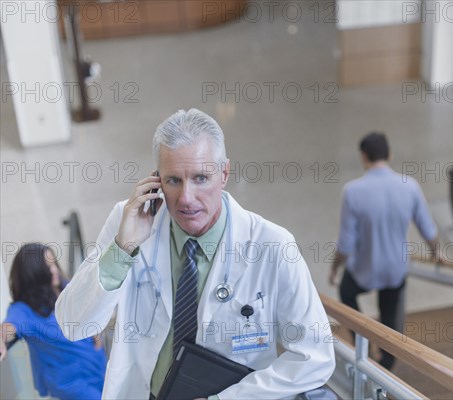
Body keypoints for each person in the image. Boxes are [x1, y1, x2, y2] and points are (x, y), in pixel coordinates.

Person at [55, 109, 335, 400]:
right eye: (173, 180)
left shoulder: (273, 246)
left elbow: (314, 357)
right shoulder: (126, 222)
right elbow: (73, 325)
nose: (186, 198)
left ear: (224, 173)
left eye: (200, 178)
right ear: (156, 180)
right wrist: (123, 249)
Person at [329, 132, 440, 370]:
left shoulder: (353, 191)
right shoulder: (409, 186)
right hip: (395, 270)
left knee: (346, 292)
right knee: (390, 317)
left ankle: (363, 344)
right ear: (389, 154)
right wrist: (436, 253)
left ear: (363, 157)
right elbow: (428, 229)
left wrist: (334, 269)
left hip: (364, 269)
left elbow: (346, 245)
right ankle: (386, 367)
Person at [0, 243, 106, 400]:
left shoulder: (65, 288)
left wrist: (97, 333)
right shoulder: (24, 310)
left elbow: (89, 310)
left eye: (53, 264)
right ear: (34, 274)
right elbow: (9, 327)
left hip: (96, 365)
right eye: (47, 267)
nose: (55, 270)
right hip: (72, 383)